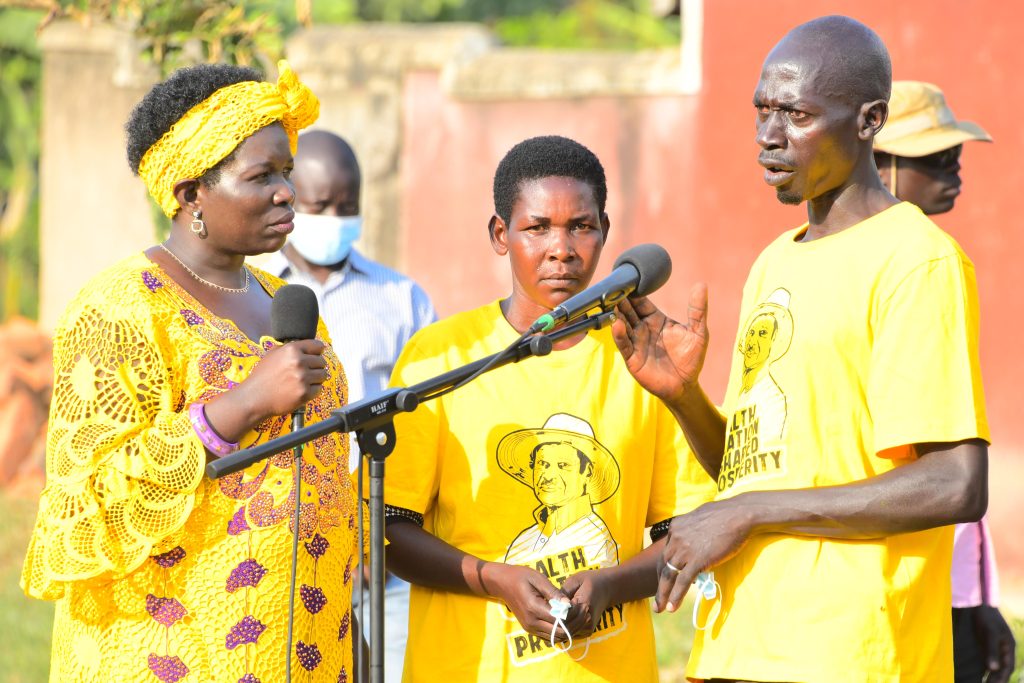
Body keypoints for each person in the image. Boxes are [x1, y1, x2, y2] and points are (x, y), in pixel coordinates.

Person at [613, 16, 989, 682]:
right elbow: (756, 469)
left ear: (869, 120)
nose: (768, 136)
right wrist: (684, 397)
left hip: (847, 654)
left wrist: (752, 510)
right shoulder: (772, 263)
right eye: (762, 110)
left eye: (796, 114)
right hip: (741, 640)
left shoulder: (916, 259)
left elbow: (955, 481)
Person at [21, 61, 365, 682]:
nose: (287, 191)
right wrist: (239, 407)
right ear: (190, 195)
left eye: (286, 171)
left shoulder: (280, 297)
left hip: (305, 649)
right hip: (170, 656)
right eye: (262, 176)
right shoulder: (122, 307)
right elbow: (82, 510)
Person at [381, 135, 712, 681]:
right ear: (500, 235)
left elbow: (688, 532)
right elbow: (389, 528)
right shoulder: (442, 357)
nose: (562, 249)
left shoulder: (642, 363)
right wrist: (494, 579)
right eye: (537, 228)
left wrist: (612, 585)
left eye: (581, 226)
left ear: (605, 231)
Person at [264, 129, 436, 683]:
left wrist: (369, 525)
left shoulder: (400, 297)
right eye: (320, 206)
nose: (335, 218)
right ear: (289, 197)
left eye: (349, 206)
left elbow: (426, 418)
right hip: (286, 543)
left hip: (381, 554)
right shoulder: (257, 294)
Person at [874, 80, 1014, 683]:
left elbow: (953, 450)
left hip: (946, 578)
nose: (955, 166)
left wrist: (980, 601)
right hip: (893, 582)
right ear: (879, 162)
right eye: (934, 156)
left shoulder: (935, 259)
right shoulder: (894, 265)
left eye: (953, 152)